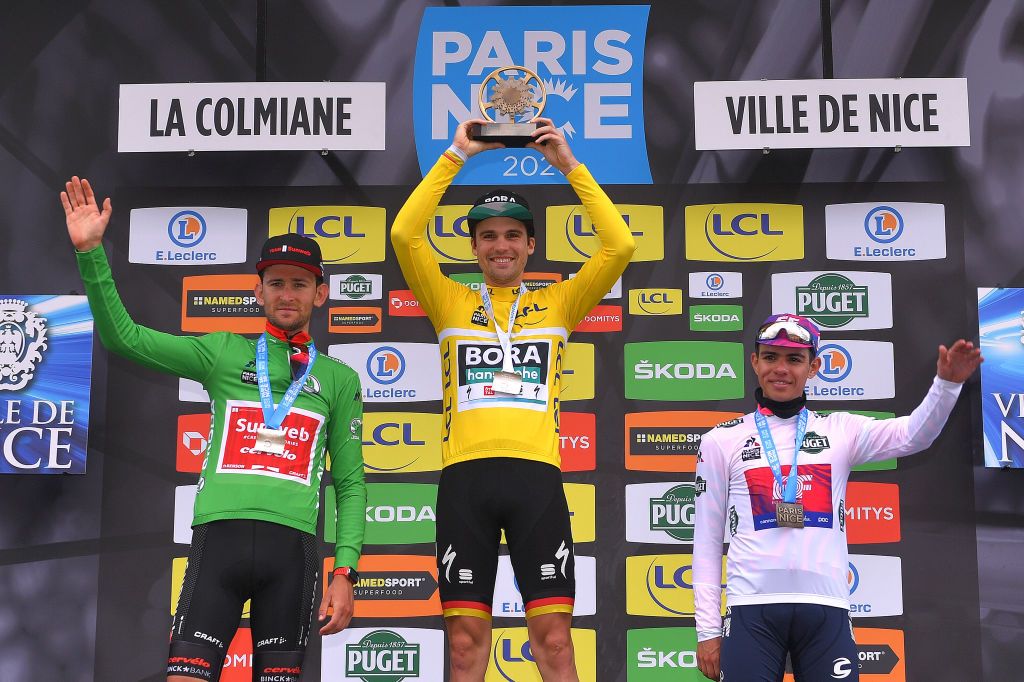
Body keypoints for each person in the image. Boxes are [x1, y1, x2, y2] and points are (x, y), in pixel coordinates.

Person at [61, 177, 366, 682]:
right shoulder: (223, 351)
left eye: (300, 283)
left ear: (321, 292)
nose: (287, 294)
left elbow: (351, 485)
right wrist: (91, 252)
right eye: (276, 283)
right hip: (218, 542)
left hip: (292, 554)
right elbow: (124, 338)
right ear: (258, 290)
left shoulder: (338, 378)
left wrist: (346, 571)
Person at [391, 118, 635, 681]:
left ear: (530, 244)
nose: (501, 245)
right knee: (464, 645)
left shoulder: (560, 303)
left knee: (554, 643)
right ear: (474, 246)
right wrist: (457, 154)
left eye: (512, 235)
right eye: (488, 235)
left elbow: (619, 244)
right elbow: (405, 235)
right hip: (464, 482)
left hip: (537, 482)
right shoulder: (448, 300)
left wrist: (568, 165)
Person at [692, 313, 983, 682]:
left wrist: (946, 385)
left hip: (825, 609)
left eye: (794, 359)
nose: (780, 369)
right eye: (770, 357)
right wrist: (707, 631)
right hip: (752, 609)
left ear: (813, 366)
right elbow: (705, 540)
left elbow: (914, 435)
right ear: (754, 362)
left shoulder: (840, 429)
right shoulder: (722, 439)